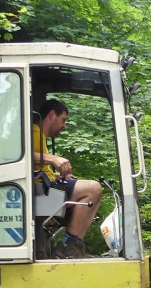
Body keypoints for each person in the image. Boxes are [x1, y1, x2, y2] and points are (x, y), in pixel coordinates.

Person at [33, 99, 102, 259]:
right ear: (51, 115)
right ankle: (67, 246)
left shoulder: (40, 133)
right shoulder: (34, 131)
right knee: (93, 189)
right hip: (42, 191)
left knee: (93, 192)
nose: (64, 125)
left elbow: (36, 167)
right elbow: (23, 155)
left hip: (45, 185)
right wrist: (53, 159)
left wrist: (54, 174)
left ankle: (73, 244)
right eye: (63, 120)